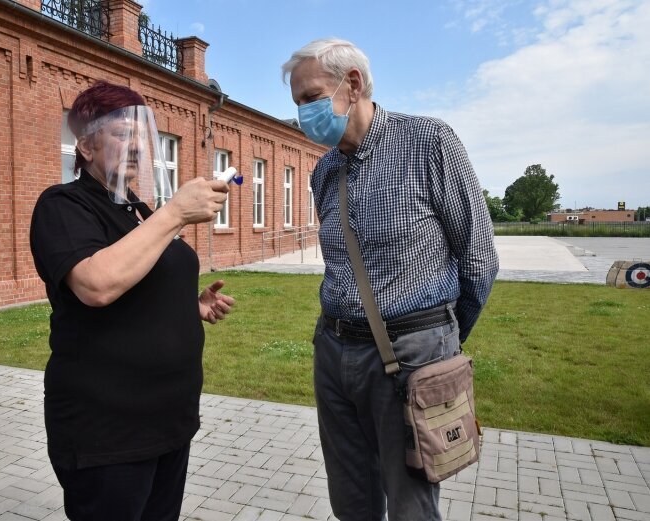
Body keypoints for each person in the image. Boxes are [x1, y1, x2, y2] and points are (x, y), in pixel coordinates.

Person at [282, 39, 499, 521]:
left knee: (410, 507)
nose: (303, 114)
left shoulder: (429, 143)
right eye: (297, 103)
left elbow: (480, 258)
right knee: (351, 500)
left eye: (310, 97)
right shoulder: (325, 171)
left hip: (412, 355)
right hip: (334, 353)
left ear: (352, 84)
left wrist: (438, 341)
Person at [29, 80, 235, 521]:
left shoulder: (138, 211)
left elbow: (142, 278)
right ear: (85, 146)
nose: (138, 146)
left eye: (142, 135)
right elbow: (97, 284)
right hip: (108, 432)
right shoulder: (63, 206)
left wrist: (186, 303)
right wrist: (176, 211)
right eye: (123, 134)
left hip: (169, 420)